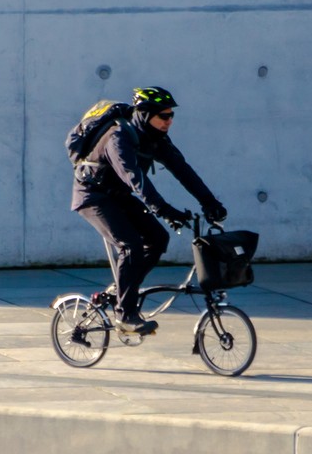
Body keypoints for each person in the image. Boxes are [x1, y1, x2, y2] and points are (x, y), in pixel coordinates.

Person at [71, 87, 227, 335]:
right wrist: (164, 210)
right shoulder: (118, 137)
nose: (169, 121)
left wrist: (210, 203)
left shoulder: (156, 138)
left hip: (119, 197)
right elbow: (135, 179)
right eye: (163, 116)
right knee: (130, 245)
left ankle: (122, 291)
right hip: (94, 197)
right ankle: (125, 314)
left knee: (157, 239)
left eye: (171, 116)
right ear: (144, 114)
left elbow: (183, 170)